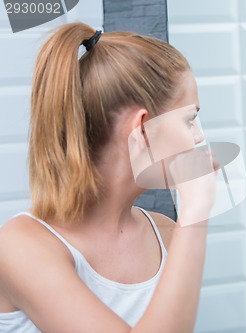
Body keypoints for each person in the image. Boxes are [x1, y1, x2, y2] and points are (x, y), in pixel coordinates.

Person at [0, 22, 216, 332]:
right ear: (143, 128)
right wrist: (196, 213)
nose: (197, 138)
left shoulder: (166, 233)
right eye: (190, 119)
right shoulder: (20, 246)